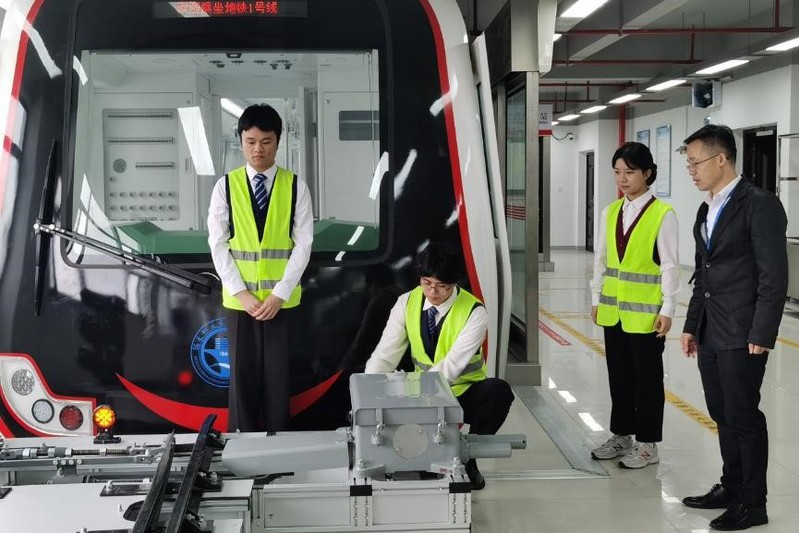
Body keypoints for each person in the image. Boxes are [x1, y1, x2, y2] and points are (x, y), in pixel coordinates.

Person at [680, 124, 787, 531]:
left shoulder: (759, 204)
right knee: (721, 412)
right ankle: (732, 486)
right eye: (688, 164)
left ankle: (753, 503)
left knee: (743, 415)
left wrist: (761, 333)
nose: (692, 171)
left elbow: (773, 276)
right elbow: (703, 274)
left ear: (721, 158)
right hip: (711, 329)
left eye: (696, 163)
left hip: (743, 331)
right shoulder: (707, 208)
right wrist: (692, 324)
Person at [364, 242, 514, 490]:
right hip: (420, 389)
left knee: (499, 392)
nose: (432, 292)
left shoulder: (475, 313)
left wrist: (424, 406)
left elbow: (451, 366)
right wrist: (367, 394)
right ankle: (423, 454)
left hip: (461, 392)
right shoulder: (406, 302)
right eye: (426, 283)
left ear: (454, 283)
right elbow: (385, 355)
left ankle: (467, 458)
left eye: (442, 285)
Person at [207, 103, 313, 433]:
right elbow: (218, 244)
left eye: (266, 141)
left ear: (278, 141)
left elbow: (303, 245)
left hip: (281, 303)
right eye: (251, 141)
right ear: (240, 141)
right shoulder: (225, 186)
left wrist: (279, 294)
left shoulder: (296, 186)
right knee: (242, 381)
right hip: (241, 304)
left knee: (279, 383)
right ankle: (243, 448)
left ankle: (279, 447)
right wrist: (241, 293)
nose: (258, 149)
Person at [589, 141, 679, 469]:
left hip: (646, 316)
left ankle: (648, 444)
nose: (622, 179)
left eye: (629, 172)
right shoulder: (610, 212)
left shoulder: (662, 214)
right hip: (614, 312)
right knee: (620, 377)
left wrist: (668, 308)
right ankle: (622, 435)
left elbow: (669, 265)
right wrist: (596, 298)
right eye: (617, 172)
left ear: (647, 173)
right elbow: (601, 260)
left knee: (648, 382)